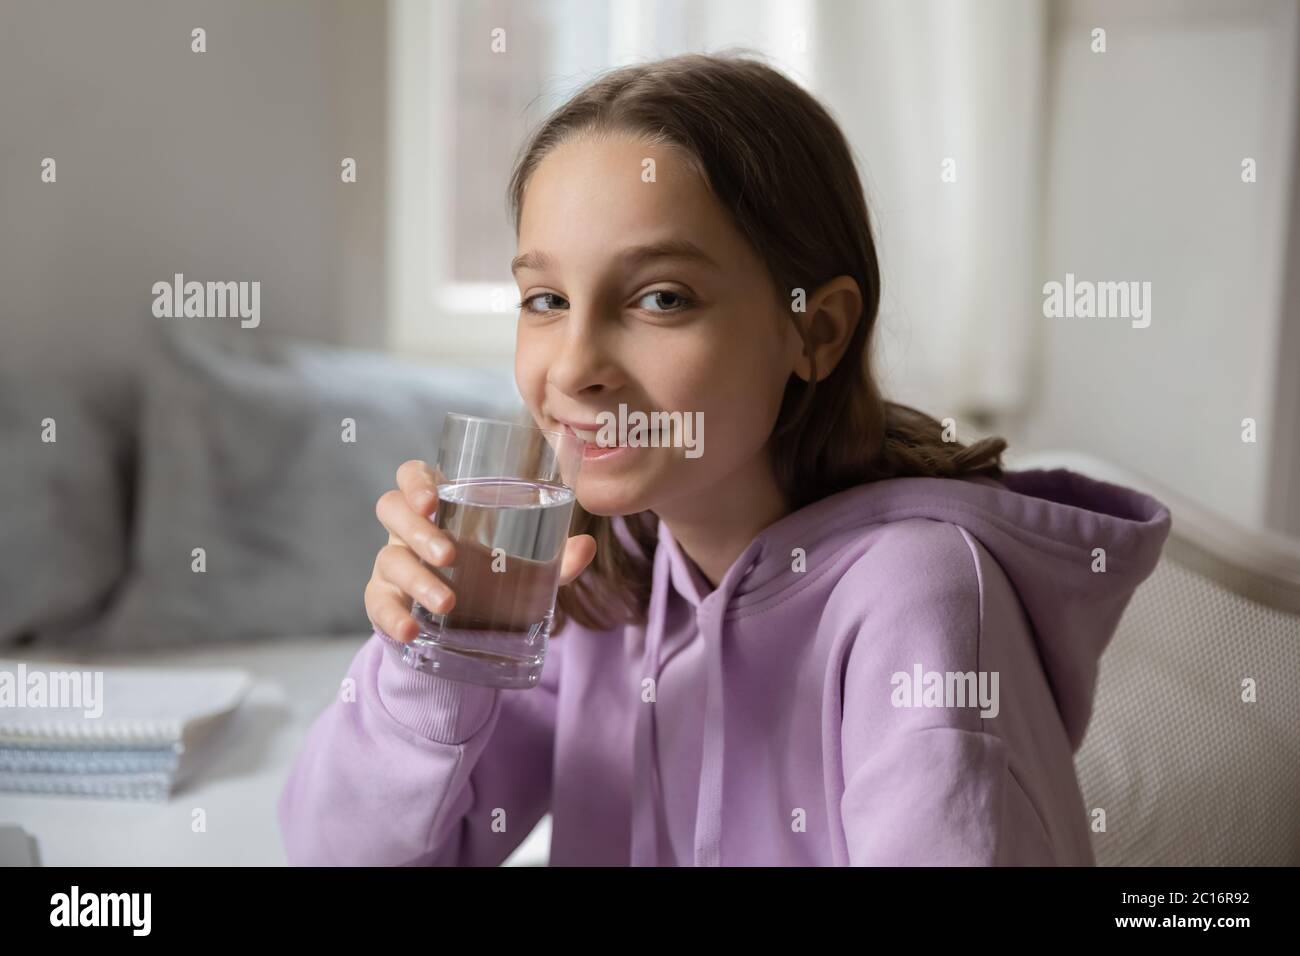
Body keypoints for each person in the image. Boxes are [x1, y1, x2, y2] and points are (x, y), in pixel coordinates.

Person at [278, 52, 1169, 866]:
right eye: (545, 298)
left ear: (814, 332)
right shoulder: (600, 573)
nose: (576, 368)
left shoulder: (918, 597)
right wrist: (431, 655)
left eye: (661, 298)